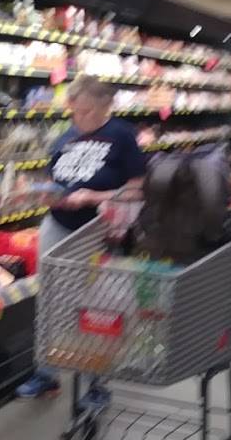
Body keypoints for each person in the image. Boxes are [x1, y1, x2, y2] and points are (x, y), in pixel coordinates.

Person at [16, 74, 146, 398]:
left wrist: (93, 197)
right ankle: (47, 372)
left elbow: (138, 189)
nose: (80, 117)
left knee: (97, 308)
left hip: (100, 233)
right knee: (52, 300)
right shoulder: (65, 137)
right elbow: (54, 181)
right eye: (75, 110)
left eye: (87, 111)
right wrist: (41, 193)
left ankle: (95, 383)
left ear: (106, 106)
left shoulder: (122, 136)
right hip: (58, 226)